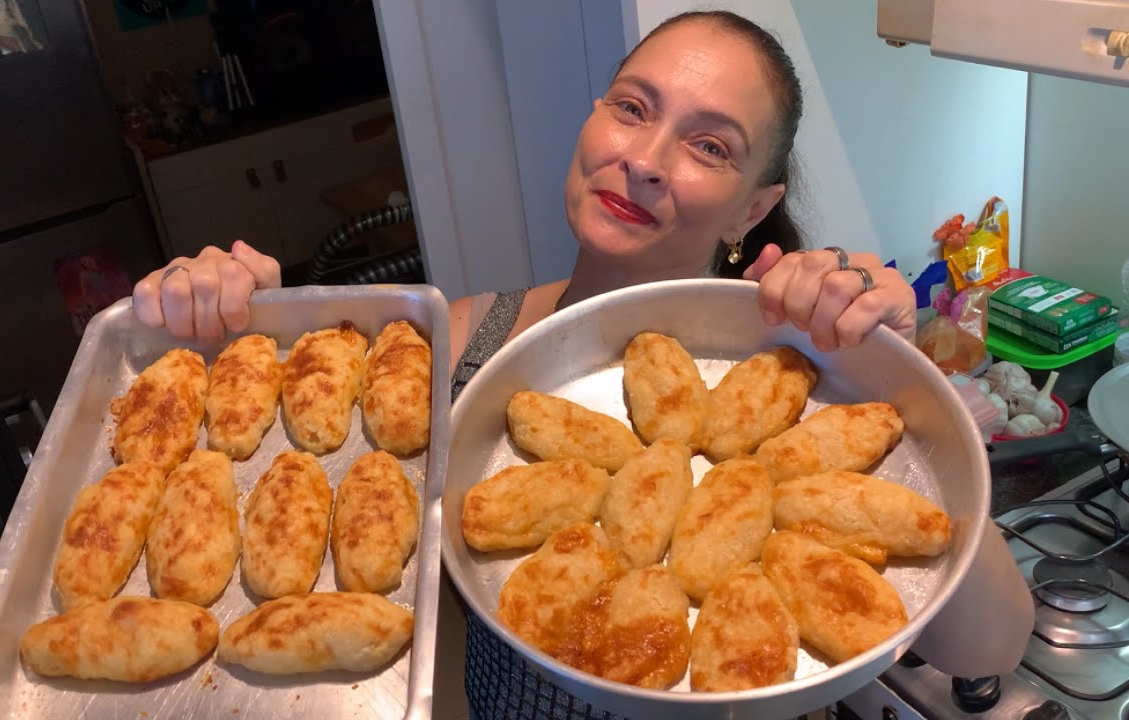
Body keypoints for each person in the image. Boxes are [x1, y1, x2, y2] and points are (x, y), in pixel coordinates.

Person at [133, 10, 1032, 717]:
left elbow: (989, 647)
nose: (644, 159)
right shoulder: (456, 342)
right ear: (591, 121)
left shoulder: (807, 356)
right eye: (631, 108)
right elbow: (314, 496)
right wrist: (231, 323)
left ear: (753, 208)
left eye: (709, 145)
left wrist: (897, 369)